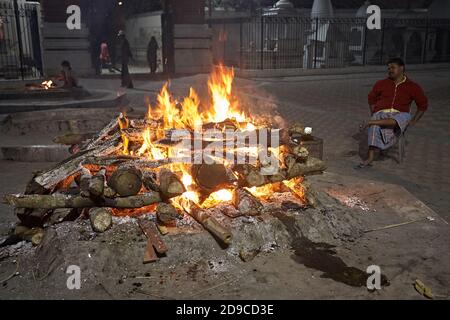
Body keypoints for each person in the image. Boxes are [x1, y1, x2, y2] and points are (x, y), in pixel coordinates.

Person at [356, 58, 428, 168]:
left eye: (393, 67)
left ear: (402, 68)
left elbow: (423, 105)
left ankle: (372, 122)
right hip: (382, 112)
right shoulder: (381, 83)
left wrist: (414, 121)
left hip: (400, 114)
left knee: (399, 119)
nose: (390, 70)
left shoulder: (412, 86)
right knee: (375, 125)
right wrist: (373, 112)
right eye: (388, 68)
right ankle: (370, 157)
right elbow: (371, 98)